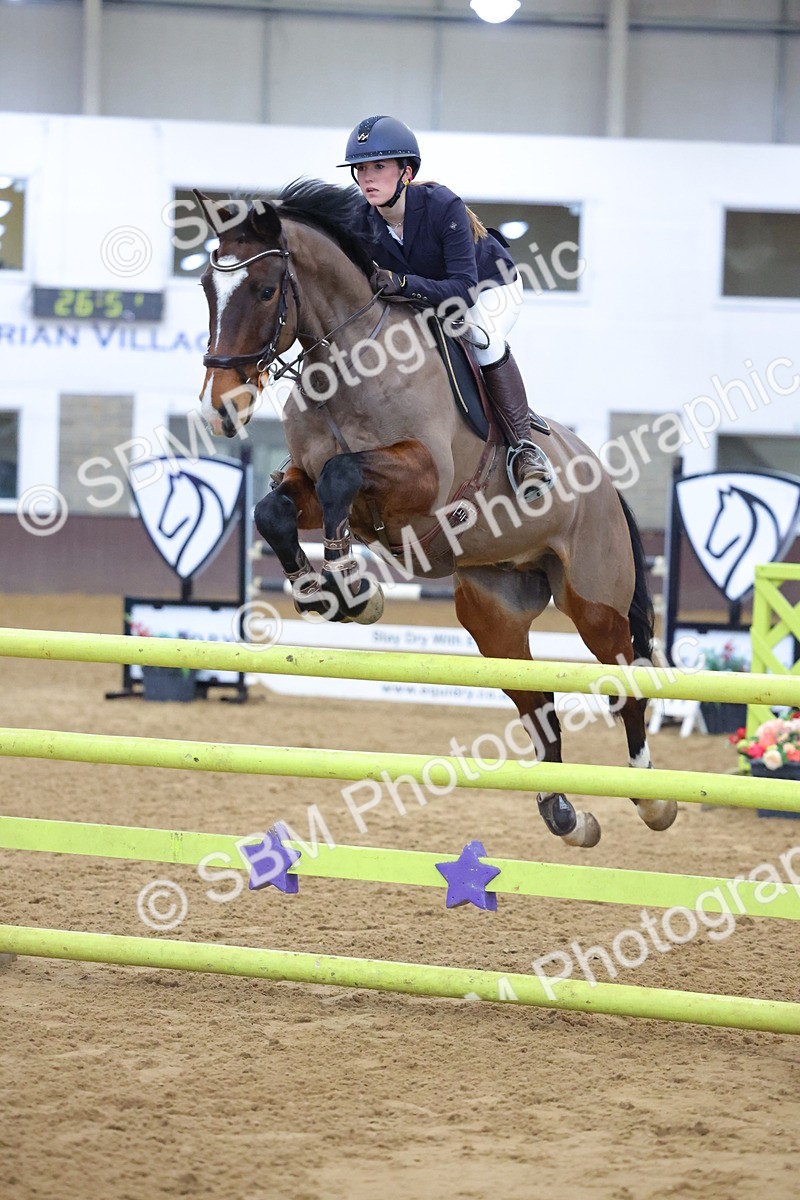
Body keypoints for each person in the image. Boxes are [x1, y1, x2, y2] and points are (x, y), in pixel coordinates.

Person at [339, 113, 553, 501]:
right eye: (361, 168)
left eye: (379, 167)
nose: (367, 177)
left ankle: (524, 449)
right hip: (425, 301)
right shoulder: (359, 221)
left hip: (488, 287)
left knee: (484, 340)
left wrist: (404, 284)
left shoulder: (442, 205)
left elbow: (464, 292)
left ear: (406, 173)